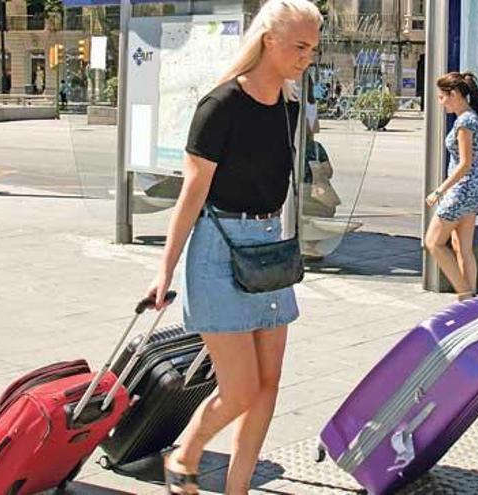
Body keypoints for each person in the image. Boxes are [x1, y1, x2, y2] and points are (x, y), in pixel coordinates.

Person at [145, 1, 321, 493]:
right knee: (240, 390)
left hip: (269, 248)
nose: (307, 57)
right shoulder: (219, 105)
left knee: (268, 386)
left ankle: (237, 488)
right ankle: (187, 452)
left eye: (312, 49)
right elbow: (192, 193)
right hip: (219, 249)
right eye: (299, 46)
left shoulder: (291, 108)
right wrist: (165, 270)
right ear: (269, 40)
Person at [424, 72, 478, 301]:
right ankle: (471, 301)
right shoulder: (471, 117)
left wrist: (439, 190)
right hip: (474, 189)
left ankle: (465, 294)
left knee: (432, 242)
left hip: (463, 188)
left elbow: (465, 163)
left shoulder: (465, 122)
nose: (440, 102)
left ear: (454, 94)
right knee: (462, 247)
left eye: (442, 97)